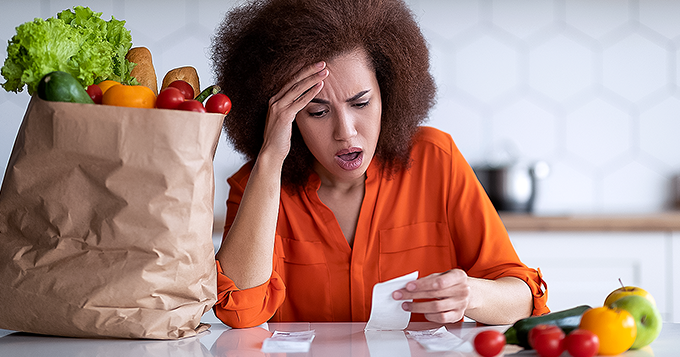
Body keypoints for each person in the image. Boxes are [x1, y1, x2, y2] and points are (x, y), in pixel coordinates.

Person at [210, 0, 549, 329]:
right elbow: (239, 312)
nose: (346, 132)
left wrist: (471, 294)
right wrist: (270, 157)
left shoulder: (435, 159)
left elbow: (524, 300)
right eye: (317, 111)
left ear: (390, 93)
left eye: (360, 103)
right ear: (288, 117)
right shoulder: (256, 185)